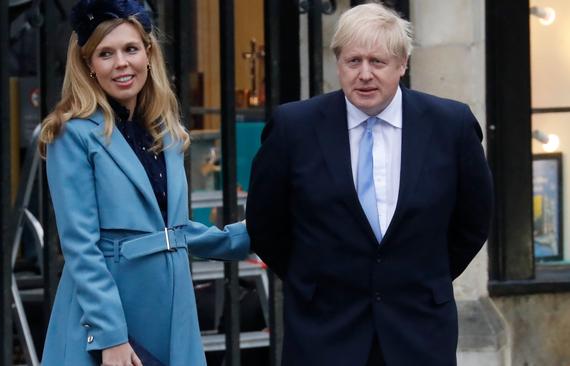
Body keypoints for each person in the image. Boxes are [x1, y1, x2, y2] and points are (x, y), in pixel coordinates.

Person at [246, 3, 493, 366]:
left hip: (419, 332)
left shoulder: (450, 126)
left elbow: (473, 222)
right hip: (324, 332)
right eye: (353, 61)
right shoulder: (293, 128)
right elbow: (266, 225)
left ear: (402, 64)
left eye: (377, 62)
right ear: (338, 63)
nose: (364, 74)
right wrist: (316, 280)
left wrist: (416, 276)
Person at [39, 1, 249, 365]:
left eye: (130, 49)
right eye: (106, 53)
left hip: (173, 316)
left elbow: (173, 231)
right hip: (112, 320)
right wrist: (111, 336)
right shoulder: (71, 134)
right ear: (89, 65)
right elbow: (81, 248)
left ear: (148, 55)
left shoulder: (165, 132)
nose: (121, 63)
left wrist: (245, 236)